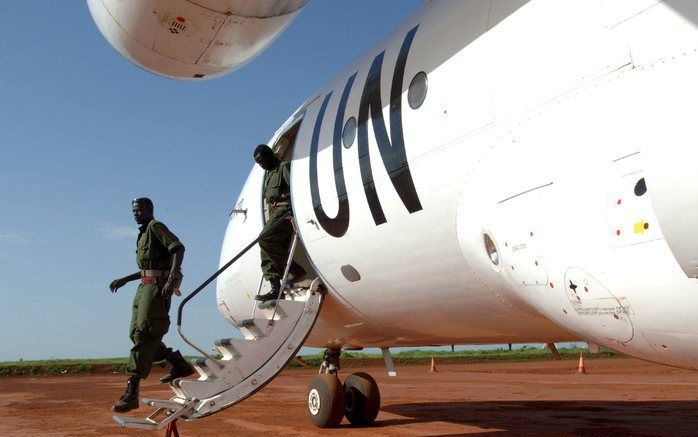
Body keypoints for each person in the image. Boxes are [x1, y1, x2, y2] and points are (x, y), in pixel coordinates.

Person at [109, 197, 194, 413]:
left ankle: (132, 391)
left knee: (146, 334)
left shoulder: (156, 226)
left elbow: (178, 248)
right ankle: (179, 363)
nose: (135, 213)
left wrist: (172, 279)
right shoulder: (143, 234)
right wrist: (125, 279)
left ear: (150, 209)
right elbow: (149, 268)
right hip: (143, 287)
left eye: (139, 210)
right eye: (133, 211)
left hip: (156, 289)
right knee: (137, 333)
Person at [253, 144, 305, 302]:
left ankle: (294, 269)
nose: (261, 165)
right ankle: (276, 288)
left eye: (262, 161)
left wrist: (281, 197)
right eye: (259, 163)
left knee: (264, 238)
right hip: (275, 215)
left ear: (269, 156)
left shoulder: (283, 168)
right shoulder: (268, 175)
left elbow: (296, 189)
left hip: (285, 211)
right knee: (265, 250)